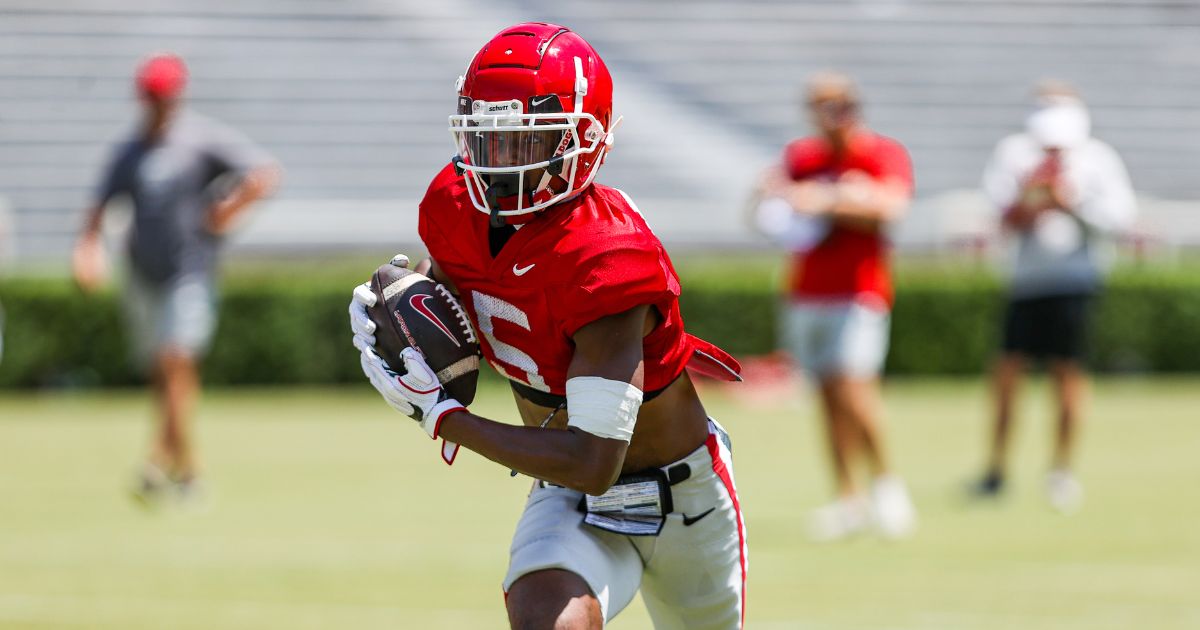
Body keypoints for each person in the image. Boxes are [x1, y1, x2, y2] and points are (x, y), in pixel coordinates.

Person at [349, 23, 748, 629]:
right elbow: (465, 297)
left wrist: (444, 417)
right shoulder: (453, 205)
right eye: (486, 136)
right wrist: (406, 305)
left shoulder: (607, 255)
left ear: (584, 140)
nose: (496, 161)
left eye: (522, 141)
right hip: (570, 496)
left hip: (679, 499)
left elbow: (593, 458)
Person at [71, 53, 281, 504]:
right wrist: (87, 250)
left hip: (189, 270)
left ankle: (155, 460)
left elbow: (263, 174)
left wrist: (229, 210)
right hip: (143, 273)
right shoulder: (130, 151)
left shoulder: (200, 140)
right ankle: (186, 469)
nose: (158, 106)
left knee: (176, 361)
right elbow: (100, 205)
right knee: (164, 375)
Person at [748, 71, 916, 541]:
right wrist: (770, 195)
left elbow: (891, 207)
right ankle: (848, 497)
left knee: (855, 389)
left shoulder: (881, 152)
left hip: (858, 289)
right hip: (807, 290)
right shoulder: (802, 156)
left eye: (838, 104)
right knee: (825, 394)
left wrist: (827, 201)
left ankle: (886, 484)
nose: (830, 115)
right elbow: (770, 211)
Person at [972, 80, 1135, 513]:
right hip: (1025, 280)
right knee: (1008, 373)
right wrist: (1030, 202)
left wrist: (1070, 202)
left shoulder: (1098, 158)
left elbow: (1119, 219)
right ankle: (996, 469)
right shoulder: (1013, 153)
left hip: (1074, 281)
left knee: (1068, 374)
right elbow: (998, 214)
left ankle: (1061, 471)